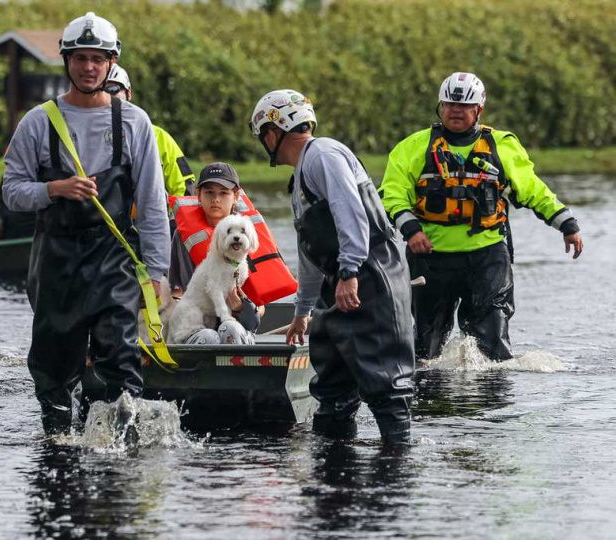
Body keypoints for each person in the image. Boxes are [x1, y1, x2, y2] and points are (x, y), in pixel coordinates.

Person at [1, 12, 170, 435]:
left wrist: (157, 273)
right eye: (80, 58)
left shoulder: (134, 122)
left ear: (112, 62)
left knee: (121, 361)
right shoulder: (38, 121)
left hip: (113, 259)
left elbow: (152, 203)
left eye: (98, 58)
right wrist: (53, 189)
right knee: (54, 370)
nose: (89, 67)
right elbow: (12, 192)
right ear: (66, 61)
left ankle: (122, 450)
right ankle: (58, 448)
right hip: (55, 260)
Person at [249, 89, 415, 447]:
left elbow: (349, 211)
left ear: (273, 132)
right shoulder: (300, 177)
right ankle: (333, 470)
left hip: (370, 275)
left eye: (263, 135)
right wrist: (302, 311)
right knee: (333, 389)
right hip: (339, 282)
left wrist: (350, 271)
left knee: (385, 384)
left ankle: (398, 464)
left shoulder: (323, 154)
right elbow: (310, 252)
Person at [379, 72, 583, 361]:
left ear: (479, 109)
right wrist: (411, 231)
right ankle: (428, 388)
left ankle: (492, 390)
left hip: (487, 257)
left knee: (492, 345)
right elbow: (391, 194)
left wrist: (566, 224)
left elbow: (533, 189)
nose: (455, 111)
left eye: (464, 106)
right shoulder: (412, 147)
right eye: (449, 104)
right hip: (430, 257)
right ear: (440, 106)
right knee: (426, 347)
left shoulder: (502, 145)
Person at [168, 162, 263, 345]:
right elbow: (176, 291)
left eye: (224, 193)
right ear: (198, 195)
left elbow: (261, 307)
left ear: (236, 196)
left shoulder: (249, 234)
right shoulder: (182, 235)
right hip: (199, 324)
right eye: (209, 192)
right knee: (208, 337)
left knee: (230, 329)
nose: (216, 199)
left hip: (239, 324)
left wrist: (241, 307)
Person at [106, 65, 195, 197]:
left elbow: (183, 188)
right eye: (99, 91)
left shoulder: (158, 137)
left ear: (128, 93)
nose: (105, 96)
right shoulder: (83, 136)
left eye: (112, 89)